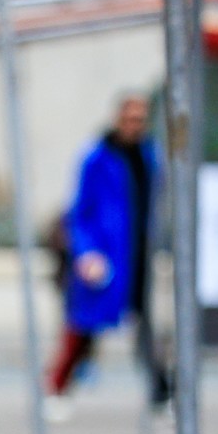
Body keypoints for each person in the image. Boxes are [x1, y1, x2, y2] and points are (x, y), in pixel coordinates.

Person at [46, 91, 170, 411]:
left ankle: (162, 393)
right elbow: (80, 211)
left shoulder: (150, 156)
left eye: (141, 119)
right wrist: (87, 253)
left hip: (138, 255)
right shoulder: (97, 158)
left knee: (148, 330)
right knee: (83, 327)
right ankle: (57, 388)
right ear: (118, 119)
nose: (135, 125)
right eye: (130, 118)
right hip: (105, 256)